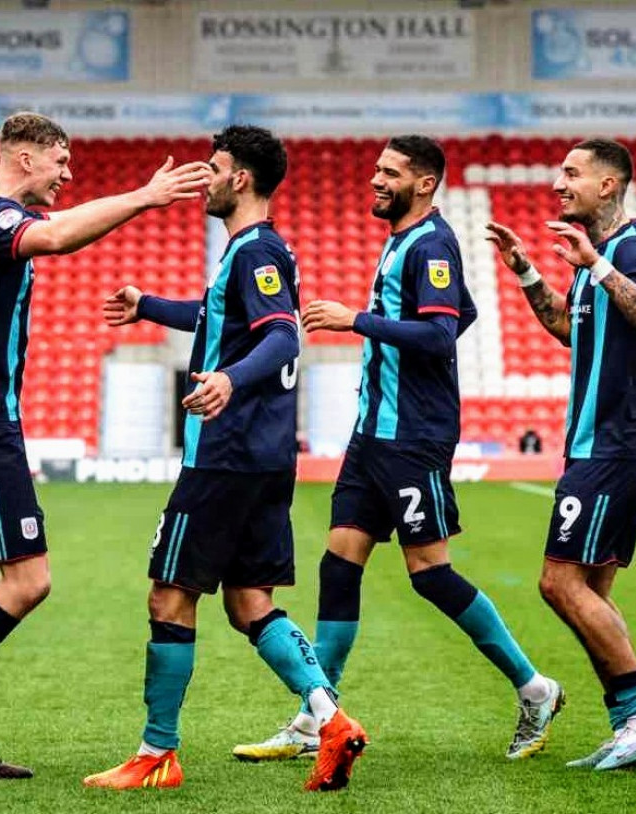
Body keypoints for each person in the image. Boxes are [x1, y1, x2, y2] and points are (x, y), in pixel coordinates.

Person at [0, 112, 212, 784]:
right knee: (30, 580)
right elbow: (60, 238)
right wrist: (144, 197)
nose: (68, 174)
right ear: (27, 157)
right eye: (60, 161)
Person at [233, 135, 563, 765]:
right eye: (377, 170)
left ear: (426, 182)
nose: (376, 180)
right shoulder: (404, 240)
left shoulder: (432, 242)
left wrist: (355, 319)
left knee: (431, 574)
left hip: (413, 436)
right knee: (339, 563)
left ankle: (535, 688)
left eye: (390, 173)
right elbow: (460, 311)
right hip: (373, 434)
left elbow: (441, 335)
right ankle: (315, 716)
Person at [82, 125, 367, 793]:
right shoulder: (254, 254)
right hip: (266, 460)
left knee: (169, 595)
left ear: (240, 178)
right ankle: (330, 720)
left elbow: (279, 335)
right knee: (249, 603)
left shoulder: (255, 252)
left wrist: (231, 380)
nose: (203, 178)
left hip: (226, 458)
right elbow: (225, 320)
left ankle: (157, 753)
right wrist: (146, 305)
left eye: (213, 168)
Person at [487, 138, 636, 770]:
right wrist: (527, 271)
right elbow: (573, 328)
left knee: (557, 581)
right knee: (591, 586)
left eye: (572, 173)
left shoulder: (632, 249)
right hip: (603, 444)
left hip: (616, 445)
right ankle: (635, 728)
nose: (557, 183)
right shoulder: (594, 258)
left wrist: (597, 265)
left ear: (608, 185)